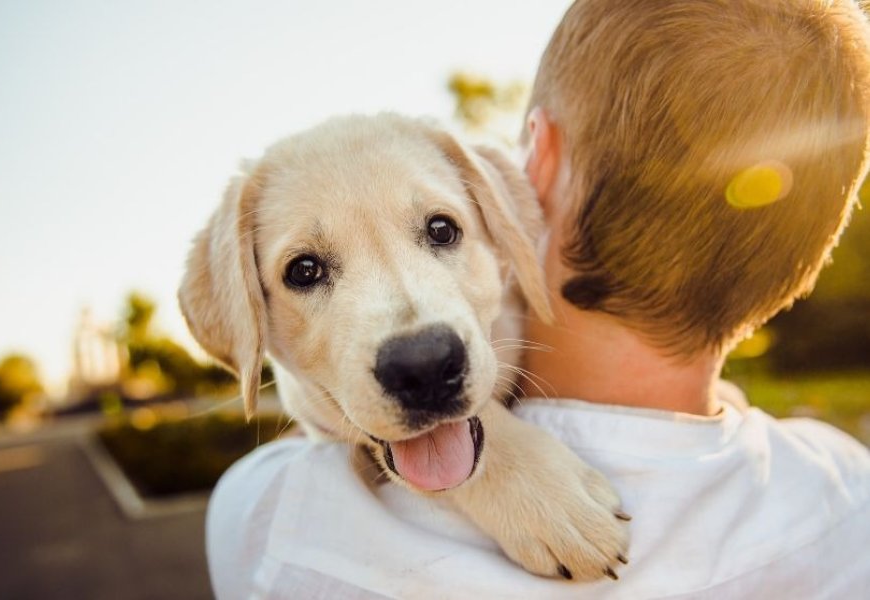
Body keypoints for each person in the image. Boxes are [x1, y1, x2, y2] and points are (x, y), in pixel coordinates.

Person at [206, 1, 870, 597]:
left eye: (440, 231)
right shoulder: (846, 493)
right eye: (307, 270)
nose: (414, 341)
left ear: (536, 167)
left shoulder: (273, 526)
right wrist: (490, 456)